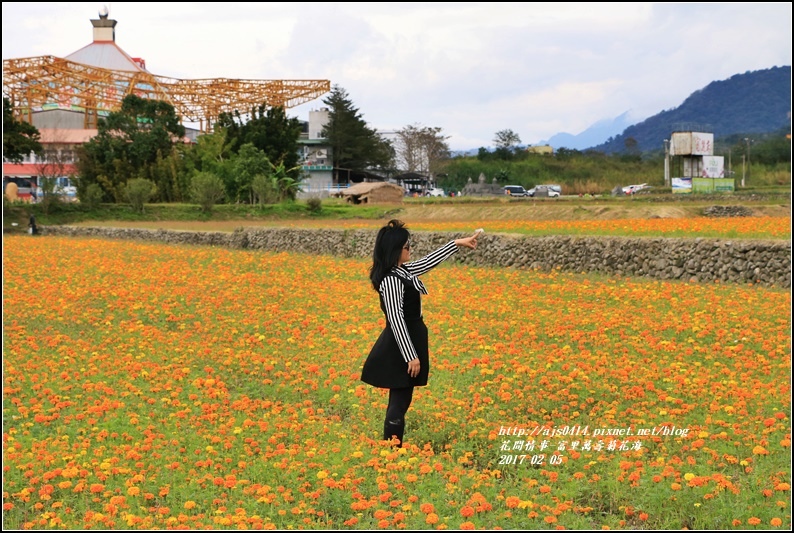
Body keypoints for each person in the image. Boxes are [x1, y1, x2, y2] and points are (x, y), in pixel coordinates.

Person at [361, 219, 479, 447]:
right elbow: (395, 319)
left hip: (409, 340)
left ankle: (392, 448)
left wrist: (457, 243)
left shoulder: (402, 271)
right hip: (401, 345)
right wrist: (410, 356)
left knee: (403, 398)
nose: (410, 249)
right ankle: (392, 450)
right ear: (395, 250)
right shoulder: (391, 281)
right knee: (399, 399)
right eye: (407, 246)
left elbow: (427, 262)